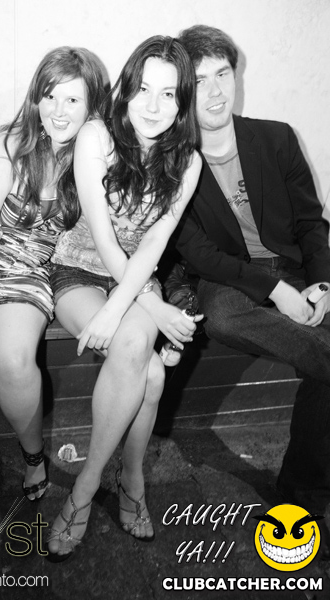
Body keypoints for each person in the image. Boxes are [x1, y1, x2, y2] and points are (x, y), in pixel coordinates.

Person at [45, 35, 202, 561]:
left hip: (137, 277)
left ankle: (102, 482)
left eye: (169, 94)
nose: (153, 106)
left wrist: (133, 302)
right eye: (143, 90)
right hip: (79, 267)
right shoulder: (97, 137)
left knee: (149, 371)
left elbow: (155, 242)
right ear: (127, 89)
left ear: (182, 103)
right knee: (147, 367)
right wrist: (146, 306)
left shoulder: (188, 161)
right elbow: (103, 235)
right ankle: (115, 482)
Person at [0, 46, 106, 503]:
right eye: (50, 96)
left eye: (72, 99)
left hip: (30, 270)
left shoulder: (93, 155)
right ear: (36, 98)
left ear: (91, 105)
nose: (58, 110)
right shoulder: (10, 144)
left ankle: (33, 456)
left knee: (13, 361)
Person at [172, 24, 330, 526]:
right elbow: (200, 255)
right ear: (184, 91)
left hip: (296, 267)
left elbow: (311, 223)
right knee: (221, 315)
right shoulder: (174, 163)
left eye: (223, 74)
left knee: (323, 365)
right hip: (229, 277)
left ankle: (301, 490)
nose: (216, 91)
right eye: (200, 81)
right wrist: (276, 291)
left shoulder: (276, 138)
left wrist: (322, 283)